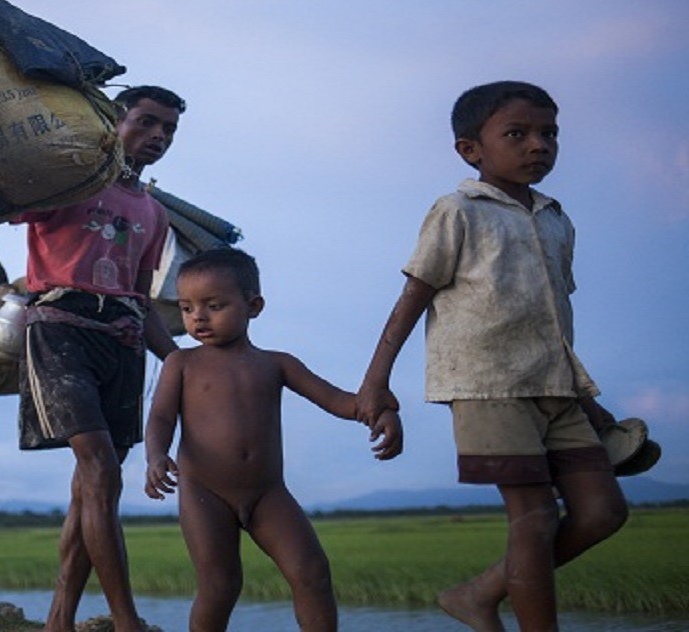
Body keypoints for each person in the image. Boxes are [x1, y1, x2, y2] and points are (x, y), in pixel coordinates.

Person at [354, 81, 629, 632]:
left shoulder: (555, 218)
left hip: (557, 389)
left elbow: (554, 319)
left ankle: (479, 593)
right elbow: (414, 296)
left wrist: (587, 399)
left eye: (549, 134)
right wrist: (375, 383)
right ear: (470, 149)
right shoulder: (458, 210)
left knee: (603, 512)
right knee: (534, 518)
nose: (538, 146)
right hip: (488, 388)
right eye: (517, 134)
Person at [143, 248, 401, 631]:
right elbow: (161, 416)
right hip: (205, 493)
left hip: (267, 493)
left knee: (312, 572)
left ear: (254, 306)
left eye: (213, 305)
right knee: (219, 586)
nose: (198, 316)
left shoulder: (277, 363)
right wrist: (156, 455)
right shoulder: (182, 364)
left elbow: (337, 401)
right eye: (186, 307)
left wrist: (382, 412)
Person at [13, 85, 184, 632]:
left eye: (169, 130)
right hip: (61, 331)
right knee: (102, 471)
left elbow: (142, 296)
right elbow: (6, 201)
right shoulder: (70, 179)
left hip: (124, 343)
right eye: (148, 122)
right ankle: (125, 619)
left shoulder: (153, 213)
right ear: (115, 119)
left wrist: (179, 359)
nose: (158, 136)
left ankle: (59, 618)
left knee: (90, 488)